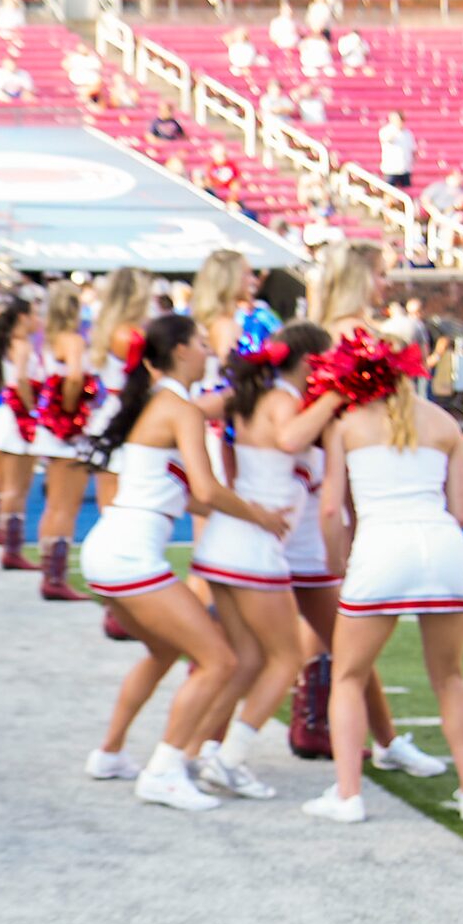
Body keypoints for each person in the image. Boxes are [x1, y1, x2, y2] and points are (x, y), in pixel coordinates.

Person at [76, 313, 289, 811]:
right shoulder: (181, 408)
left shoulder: (154, 402)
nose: (207, 349)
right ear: (178, 352)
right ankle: (165, 769)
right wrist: (258, 515)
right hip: (130, 555)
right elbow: (207, 488)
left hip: (112, 548)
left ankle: (109, 754)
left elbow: (182, 494)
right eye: (198, 341)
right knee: (220, 660)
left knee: (162, 651)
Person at [307, 354, 463, 825]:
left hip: (381, 549)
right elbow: (461, 513)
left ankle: (348, 796)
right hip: (443, 548)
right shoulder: (445, 423)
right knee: (451, 677)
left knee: (348, 675)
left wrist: (334, 562)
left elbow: (330, 510)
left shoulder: (346, 424)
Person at [287, 243, 441, 775]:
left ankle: (341, 723)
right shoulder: (361, 337)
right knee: (343, 614)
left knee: (334, 612)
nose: (385, 285)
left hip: (314, 477)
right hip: (350, 480)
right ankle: (345, 727)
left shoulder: (311, 332)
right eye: (379, 275)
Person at [185, 320, 333, 799]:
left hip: (226, 543)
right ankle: (228, 758)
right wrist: (335, 396)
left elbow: (189, 411)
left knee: (245, 658)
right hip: (253, 545)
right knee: (285, 657)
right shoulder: (283, 401)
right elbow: (291, 441)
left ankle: (194, 753)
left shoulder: (248, 398)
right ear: (310, 361)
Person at [17, 281, 99, 601]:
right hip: (67, 430)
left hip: (50, 429)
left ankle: (49, 572)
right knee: (66, 505)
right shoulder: (74, 339)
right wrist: (70, 411)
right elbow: (75, 377)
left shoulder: (44, 339)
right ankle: (55, 578)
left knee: (53, 505)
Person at [0, 294, 40, 564]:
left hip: (2, 414)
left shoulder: (5, 343)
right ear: (24, 318)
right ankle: (11, 549)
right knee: (17, 486)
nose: (39, 320)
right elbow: (23, 379)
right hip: (16, 418)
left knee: (0, 477)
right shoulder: (21, 344)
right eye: (35, 314)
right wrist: (33, 408)